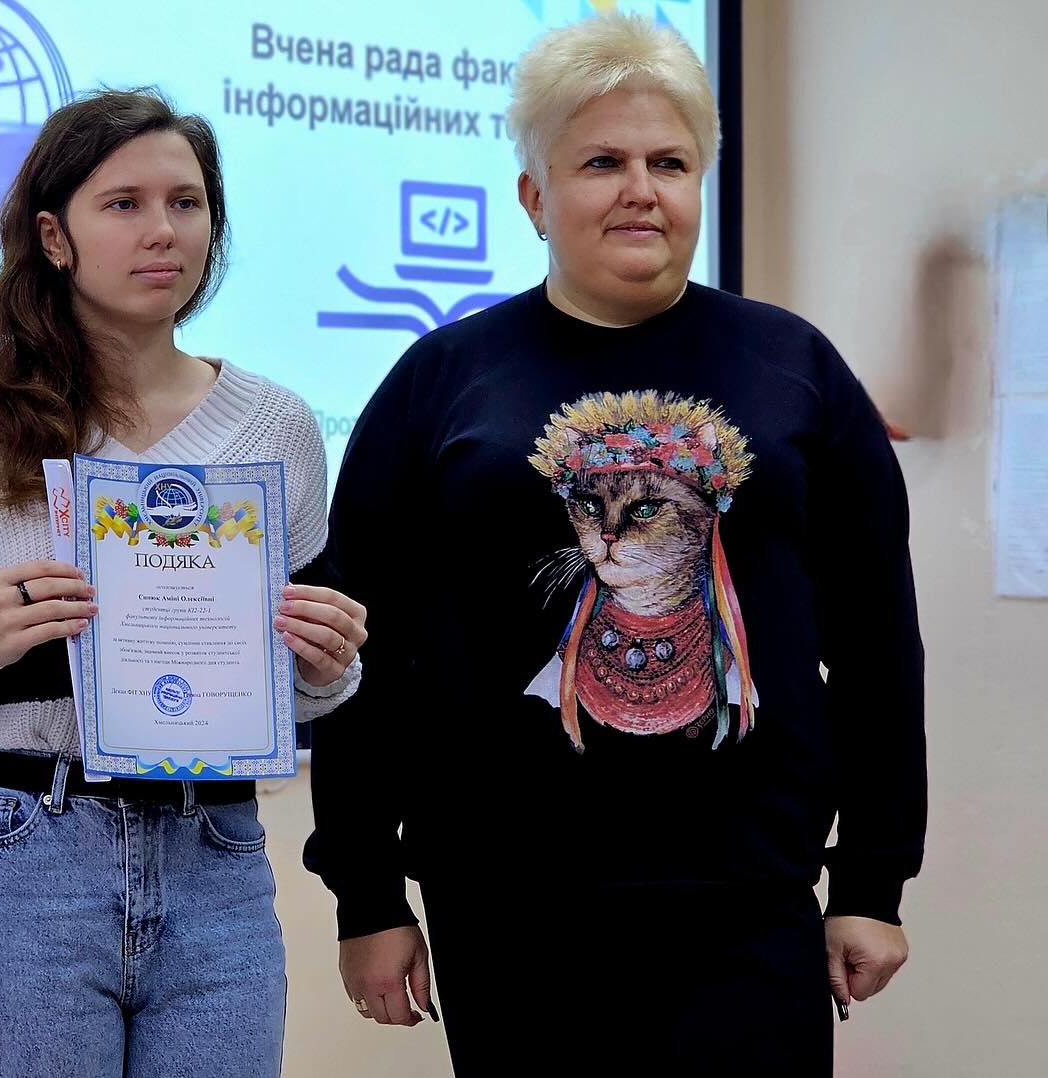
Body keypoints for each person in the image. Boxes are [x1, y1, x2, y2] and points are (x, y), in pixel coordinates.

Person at [304, 14, 925, 1075]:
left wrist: (871, 879)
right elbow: (358, 652)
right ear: (534, 197)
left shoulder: (798, 370)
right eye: (602, 162)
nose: (642, 190)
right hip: (506, 911)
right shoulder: (440, 380)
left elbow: (876, 644)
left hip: (749, 905)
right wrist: (367, 892)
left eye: (668, 163)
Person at [0, 88, 367, 1078]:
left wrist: (329, 664)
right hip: (31, 847)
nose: (164, 230)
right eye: (124, 203)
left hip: (218, 851)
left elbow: (309, 686)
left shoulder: (279, 427)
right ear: (55, 236)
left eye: (187, 203)